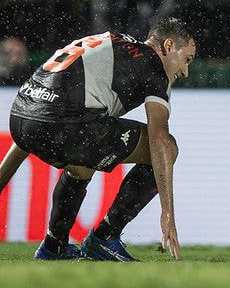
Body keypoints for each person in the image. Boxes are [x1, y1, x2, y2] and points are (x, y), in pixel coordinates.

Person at [0, 17, 195, 261]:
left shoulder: (113, 42)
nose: (185, 71)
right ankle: (105, 238)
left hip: (20, 116)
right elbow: (160, 141)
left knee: (82, 163)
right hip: (65, 123)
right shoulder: (154, 67)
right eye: (187, 59)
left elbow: (34, 123)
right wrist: (167, 214)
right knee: (169, 149)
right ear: (168, 46)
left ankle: (54, 246)